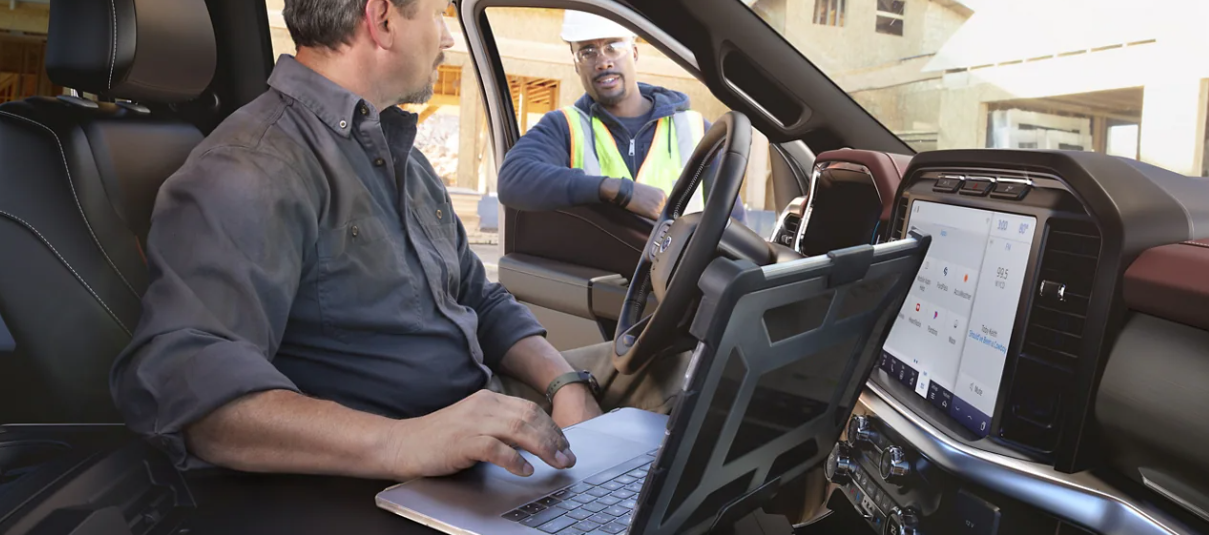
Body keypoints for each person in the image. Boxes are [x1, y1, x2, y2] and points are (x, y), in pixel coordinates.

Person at [109, 0, 602, 482]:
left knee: (647, 372)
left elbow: (479, 298)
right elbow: (187, 383)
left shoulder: (404, 159)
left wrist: (563, 384)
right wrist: (406, 442)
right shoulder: (251, 167)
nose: (448, 37)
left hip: (479, 412)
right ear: (382, 19)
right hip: (396, 461)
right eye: (439, 15)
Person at [497, 10, 744, 221]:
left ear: (634, 53)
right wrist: (615, 190)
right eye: (587, 52)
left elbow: (732, 227)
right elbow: (512, 179)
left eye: (613, 47)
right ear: (576, 65)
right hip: (598, 264)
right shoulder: (564, 127)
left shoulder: (696, 131)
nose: (603, 62)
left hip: (680, 265)